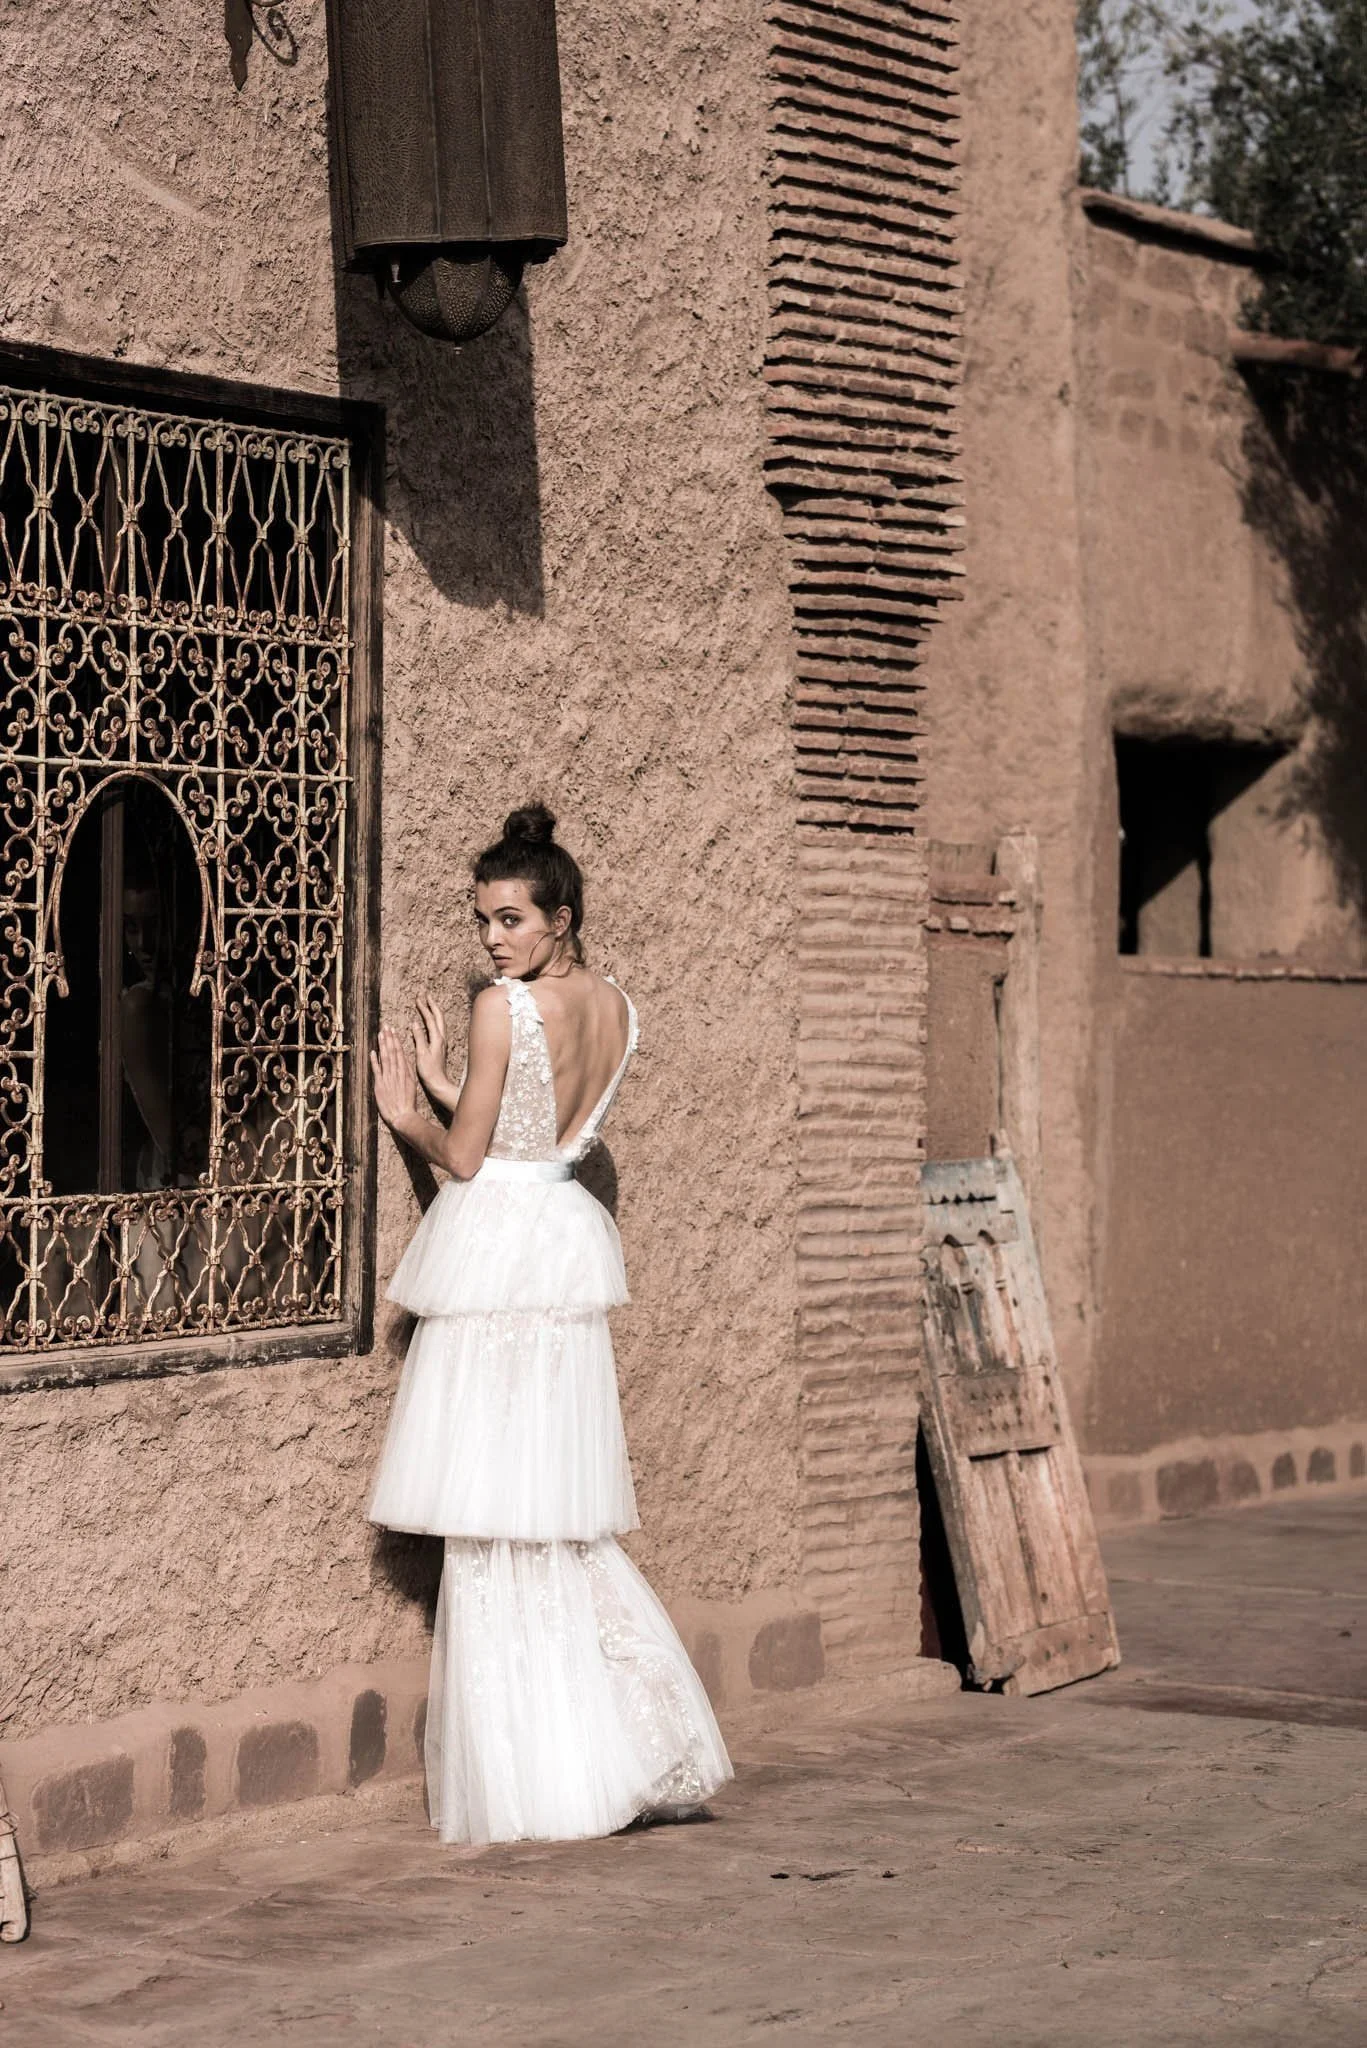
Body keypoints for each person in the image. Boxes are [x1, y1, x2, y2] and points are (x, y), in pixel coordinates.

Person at [368, 803, 732, 1845]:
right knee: (549, 1506)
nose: (492, 939)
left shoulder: (500, 1007)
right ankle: (612, 1748)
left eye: (512, 919)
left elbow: (470, 1157)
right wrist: (452, 1084)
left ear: (559, 917)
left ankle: (539, 1777)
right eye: (483, 919)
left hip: (498, 1254)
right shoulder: (617, 1006)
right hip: (560, 1240)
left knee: (494, 1510)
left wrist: (408, 1113)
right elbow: (536, 1127)